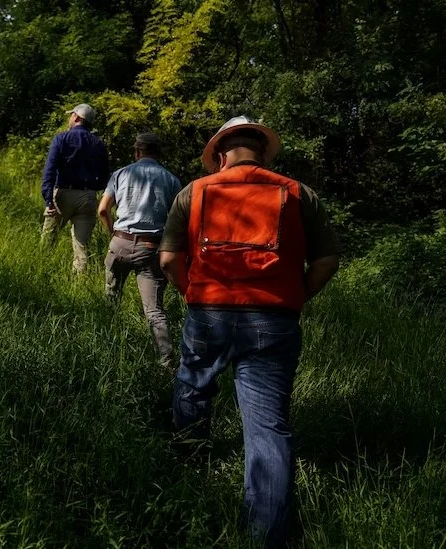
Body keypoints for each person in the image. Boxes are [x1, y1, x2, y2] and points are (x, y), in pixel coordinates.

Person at [158, 116, 341, 547]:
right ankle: (266, 537)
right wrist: (295, 297)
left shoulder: (194, 191)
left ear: (221, 155)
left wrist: (193, 294)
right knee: (267, 428)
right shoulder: (299, 193)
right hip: (273, 319)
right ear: (262, 152)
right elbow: (327, 260)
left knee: (192, 390)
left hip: (208, 314)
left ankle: (188, 478)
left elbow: (167, 259)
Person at [97, 132, 182, 370]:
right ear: (158, 153)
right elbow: (178, 220)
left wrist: (112, 234)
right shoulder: (171, 180)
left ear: (137, 152)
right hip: (151, 247)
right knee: (154, 310)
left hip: (120, 243)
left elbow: (102, 209)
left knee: (111, 299)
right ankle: (166, 363)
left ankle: (107, 351)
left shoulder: (120, 174)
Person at [41, 103, 110, 273]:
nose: (69, 118)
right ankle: (80, 282)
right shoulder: (99, 144)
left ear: (77, 117)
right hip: (87, 197)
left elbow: (50, 170)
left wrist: (49, 200)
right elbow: (105, 177)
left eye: (71, 115)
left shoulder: (61, 139)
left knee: (48, 241)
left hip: (63, 195)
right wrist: (93, 189)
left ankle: (42, 274)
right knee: (82, 249)